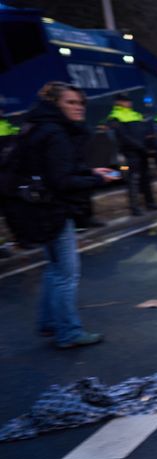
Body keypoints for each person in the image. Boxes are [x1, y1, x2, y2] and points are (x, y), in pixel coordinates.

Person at [14, 82, 121, 347]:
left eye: (80, 102)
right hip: (54, 210)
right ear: (55, 104)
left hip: (37, 208)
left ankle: (49, 323)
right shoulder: (56, 133)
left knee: (54, 270)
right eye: (70, 102)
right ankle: (68, 332)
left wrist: (91, 173)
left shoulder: (37, 127)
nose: (78, 108)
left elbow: (54, 172)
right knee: (66, 275)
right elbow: (61, 181)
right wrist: (97, 181)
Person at [104, 93, 157, 215]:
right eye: (125, 101)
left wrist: (150, 146)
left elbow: (145, 131)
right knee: (132, 179)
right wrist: (141, 147)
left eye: (129, 100)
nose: (129, 103)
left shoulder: (136, 114)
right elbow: (123, 137)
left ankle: (150, 203)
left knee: (146, 178)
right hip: (128, 155)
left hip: (142, 153)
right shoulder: (114, 117)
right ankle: (134, 208)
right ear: (118, 102)